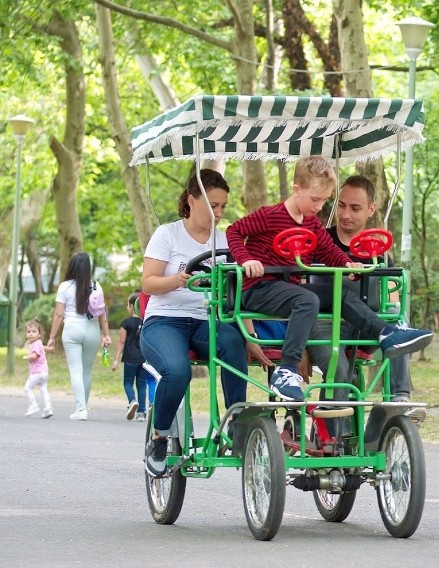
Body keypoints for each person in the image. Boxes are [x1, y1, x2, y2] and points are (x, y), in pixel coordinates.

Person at [225, 155, 433, 403]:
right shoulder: (270, 215)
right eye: (315, 199)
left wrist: (347, 264)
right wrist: (246, 259)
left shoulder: (312, 223)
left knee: (339, 293)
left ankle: (387, 333)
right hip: (259, 288)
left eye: (324, 200)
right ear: (296, 190)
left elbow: (328, 251)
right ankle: (286, 370)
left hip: (286, 291)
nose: (320, 206)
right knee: (308, 299)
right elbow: (234, 231)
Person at [141, 169, 271, 477]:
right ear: (191, 201)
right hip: (164, 320)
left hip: (204, 320)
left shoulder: (225, 241)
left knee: (231, 341)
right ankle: (159, 437)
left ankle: (236, 424)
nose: (219, 213)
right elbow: (148, 284)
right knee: (178, 371)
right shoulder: (167, 234)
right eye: (213, 205)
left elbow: (239, 292)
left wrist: (251, 337)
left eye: (223, 206)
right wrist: (177, 280)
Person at [311, 175, 414, 402]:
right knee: (336, 369)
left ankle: (400, 396)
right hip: (327, 326)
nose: (346, 215)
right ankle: (331, 427)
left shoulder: (377, 252)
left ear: (371, 209)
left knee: (398, 318)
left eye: (355, 208)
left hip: (367, 326)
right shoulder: (320, 244)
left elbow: (392, 296)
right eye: (342, 205)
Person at [46, 252, 112, 420]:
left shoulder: (65, 287)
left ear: (72, 266)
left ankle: (81, 409)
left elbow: (58, 315)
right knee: (87, 371)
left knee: (76, 370)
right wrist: (106, 334)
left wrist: (52, 337)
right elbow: (102, 313)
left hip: (72, 329)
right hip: (92, 329)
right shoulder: (96, 286)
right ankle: (83, 408)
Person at [111, 290, 149, 421]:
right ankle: (141, 413)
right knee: (141, 384)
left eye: (128, 305)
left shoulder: (126, 323)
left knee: (128, 382)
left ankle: (132, 401)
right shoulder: (146, 322)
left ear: (132, 306)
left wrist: (116, 360)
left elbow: (121, 341)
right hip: (143, 357)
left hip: (130, 358)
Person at [22, 319, 52, 419]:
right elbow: (43, 348)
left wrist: (27, 357)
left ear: (39, 334)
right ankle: (48, 408)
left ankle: (33, 405)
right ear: (26, 334)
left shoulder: (34, 344)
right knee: (44, 390)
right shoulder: (38, 343)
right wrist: (50, 349)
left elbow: (34, 356)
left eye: (34, 332)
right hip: (45, 372)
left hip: (37, 373)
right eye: (29, 332)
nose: (31, 334)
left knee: (27, 388)